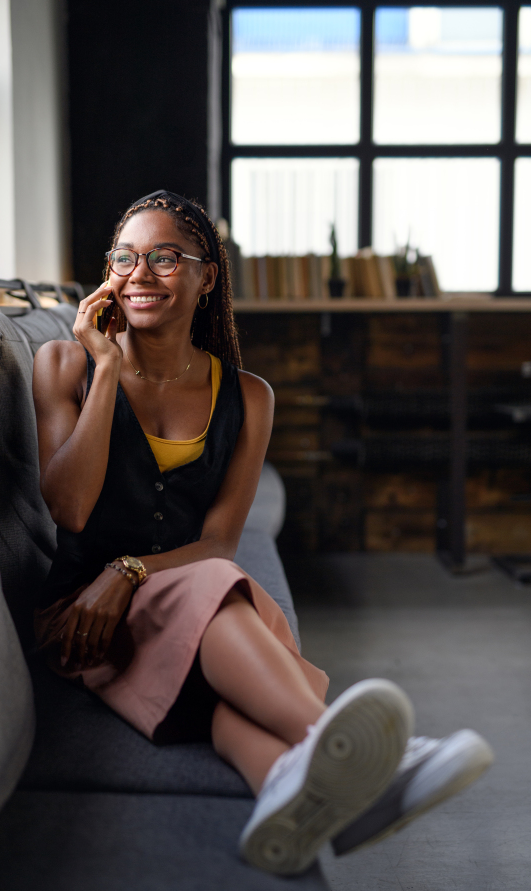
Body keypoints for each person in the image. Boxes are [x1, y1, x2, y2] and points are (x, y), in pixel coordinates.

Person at [32, 190, 493, 875]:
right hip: (86, 625)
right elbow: (69, 510)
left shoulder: (248, 397)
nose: (140, 274)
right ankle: (377, 758)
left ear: (207, 276)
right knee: (223, 594)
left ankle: (287, 783)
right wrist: (105, 370)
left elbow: (217, 541)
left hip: (179, 600)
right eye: (125, 258)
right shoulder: (64, 366)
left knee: (221, 667)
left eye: (165, 257)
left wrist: (127, 570)